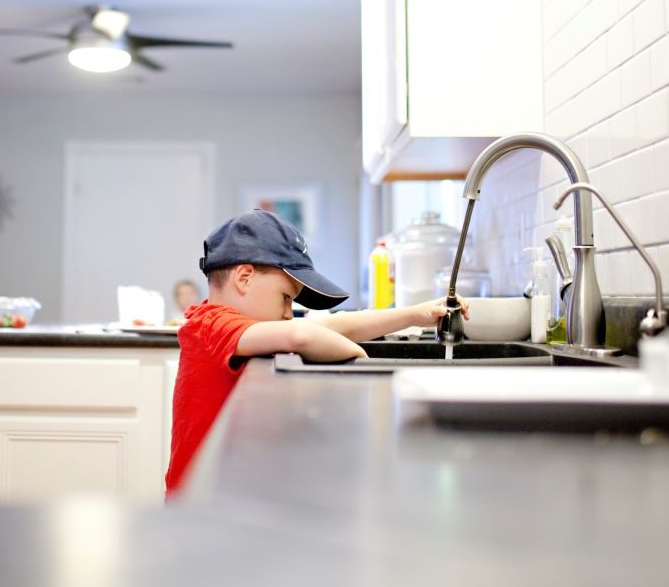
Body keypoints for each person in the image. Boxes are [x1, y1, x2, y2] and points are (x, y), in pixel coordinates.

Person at [165, 208, 469, 496]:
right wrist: (362, 360)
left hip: (225, 484)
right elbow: (301, 334)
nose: (288, 313)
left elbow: (335, 325)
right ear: (244, 278)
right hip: (200, 498)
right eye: (285, 298)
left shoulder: (236, 325)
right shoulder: (210, 324)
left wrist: (415, 314)